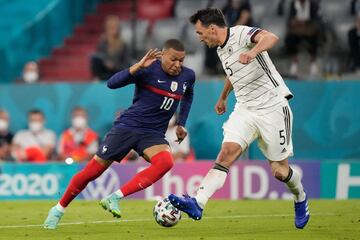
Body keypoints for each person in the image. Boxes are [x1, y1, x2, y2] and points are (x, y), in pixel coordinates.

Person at [168, 8, 310, 229]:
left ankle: (300, 197)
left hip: (272, 107)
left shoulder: (242, 34)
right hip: (245, 109)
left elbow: (271, 37)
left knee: (280, 172)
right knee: (226, 153)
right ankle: (198, 203)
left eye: (199, 32)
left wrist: (253, 53)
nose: (199, 37)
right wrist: (223, 97)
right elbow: (233, 73)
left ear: (212, 28)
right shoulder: (220, 50)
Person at [44, 39, 196, 229]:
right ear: (162, 55)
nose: (178, 65)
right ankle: (58, 209)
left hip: (153, 134)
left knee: (166, 162)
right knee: (92, 172)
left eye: (181, 60)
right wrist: (137, 67)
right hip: (128, 127)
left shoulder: (188, 76)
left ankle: (114, 197)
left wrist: (181, 123)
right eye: (174, 59)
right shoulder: (148, 69)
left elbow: (188, 95)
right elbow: (112, 83)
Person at [284, 0, 322, 77]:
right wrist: (294, 22)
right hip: (297, 29)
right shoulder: (293, 4)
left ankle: (313, 63)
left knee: (315, 36)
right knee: (290, 37)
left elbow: (316, 19)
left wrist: (307, 24)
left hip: (309, 28)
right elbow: (289, 20)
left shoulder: (312, 4)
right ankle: (294, 63)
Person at [91, 15, 131, 80]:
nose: (113, 30)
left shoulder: (123, 45)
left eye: (115, 28)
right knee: (94, 58)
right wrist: (105, 63)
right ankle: (96, 81)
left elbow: (126, 65)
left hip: (117, 73)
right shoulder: (102, 43)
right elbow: (99, 61)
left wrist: (113, 66)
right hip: (104, 74)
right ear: (106, 29)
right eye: (111, 28)